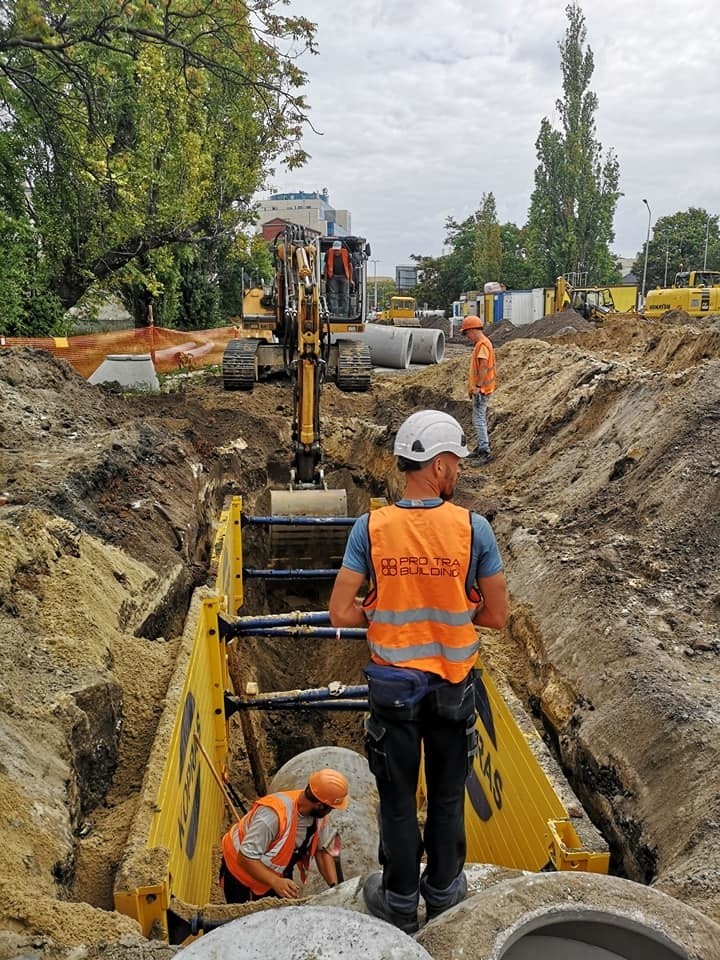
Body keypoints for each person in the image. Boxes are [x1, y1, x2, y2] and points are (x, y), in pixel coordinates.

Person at [328, 410, 508, 933]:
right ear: (436, 463)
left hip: (393, 692)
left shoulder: (372, 528)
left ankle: (401, 902)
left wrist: (382, 610)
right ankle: (446, 897)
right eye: (454, 460)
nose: (458, 470)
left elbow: (341, 612)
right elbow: (496, 615)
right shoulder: (474, 530)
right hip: (453, 688)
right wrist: (453, 606)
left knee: (399, 802)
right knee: (448, 798)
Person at [219, 768, 349, 903]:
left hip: (274, 874)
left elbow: (321, 852)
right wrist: (275, 882)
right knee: (248, 921)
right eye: (331, 808)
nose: (331, 812)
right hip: (241, 876)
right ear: (321, 805)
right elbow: (245, 857)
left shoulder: (318, 816)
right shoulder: (273, 816)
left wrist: (336, 889)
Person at [460, 314, 496, 465]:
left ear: (473, 330)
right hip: (483, 388)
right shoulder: (483, 343)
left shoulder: (482, 344)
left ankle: (484, 451)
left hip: (482, 390)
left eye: (467, 333)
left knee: (479, 420)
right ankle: (481, 447)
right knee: (478, 419)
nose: (467, 337)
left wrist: (478, 386)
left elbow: (483, 366)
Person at [325, 239, 353, 317]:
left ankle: (344, 313)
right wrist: (326, 279)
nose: (336, 252)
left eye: (337, 250)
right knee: (333, 295)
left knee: (345, 295)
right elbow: (326, 267)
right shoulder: (328, 254)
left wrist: (350, 279)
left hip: (344, 276)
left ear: (340, 249)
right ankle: (335, 312)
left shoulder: (346, 254)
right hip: (333, 276)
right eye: (335, 250)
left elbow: (350, 267)